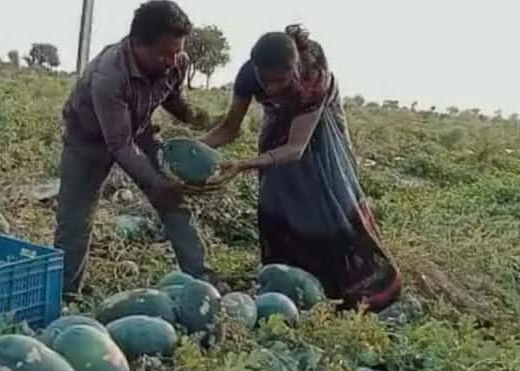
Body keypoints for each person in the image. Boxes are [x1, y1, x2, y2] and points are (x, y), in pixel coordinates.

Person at [200, 25, 401, 311]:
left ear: (295, 69)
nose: (270, 88)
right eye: (265, 81)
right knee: (277, 195)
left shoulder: (313, 77)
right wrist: (195, 147)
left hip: (317, 127)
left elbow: (295, 148)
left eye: (280, 81)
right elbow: (229, 128)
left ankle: (353, 288)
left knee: (328, 194)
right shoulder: (248, 76)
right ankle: (290, 283)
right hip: (279, 121)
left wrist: (243, 165)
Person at [55, 0, 216, 301]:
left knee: (175, 203)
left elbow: (173, 99)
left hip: (138, 129)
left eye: (177, 51)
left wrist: (198, 116)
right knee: (75, 219)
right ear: (137, 44)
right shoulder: (109, 74)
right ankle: (66, 297)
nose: (173, 60)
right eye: (164, 54)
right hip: (87, 141)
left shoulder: (175, 61)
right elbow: (118, 144)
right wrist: (156, 185)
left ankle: (204, 285)